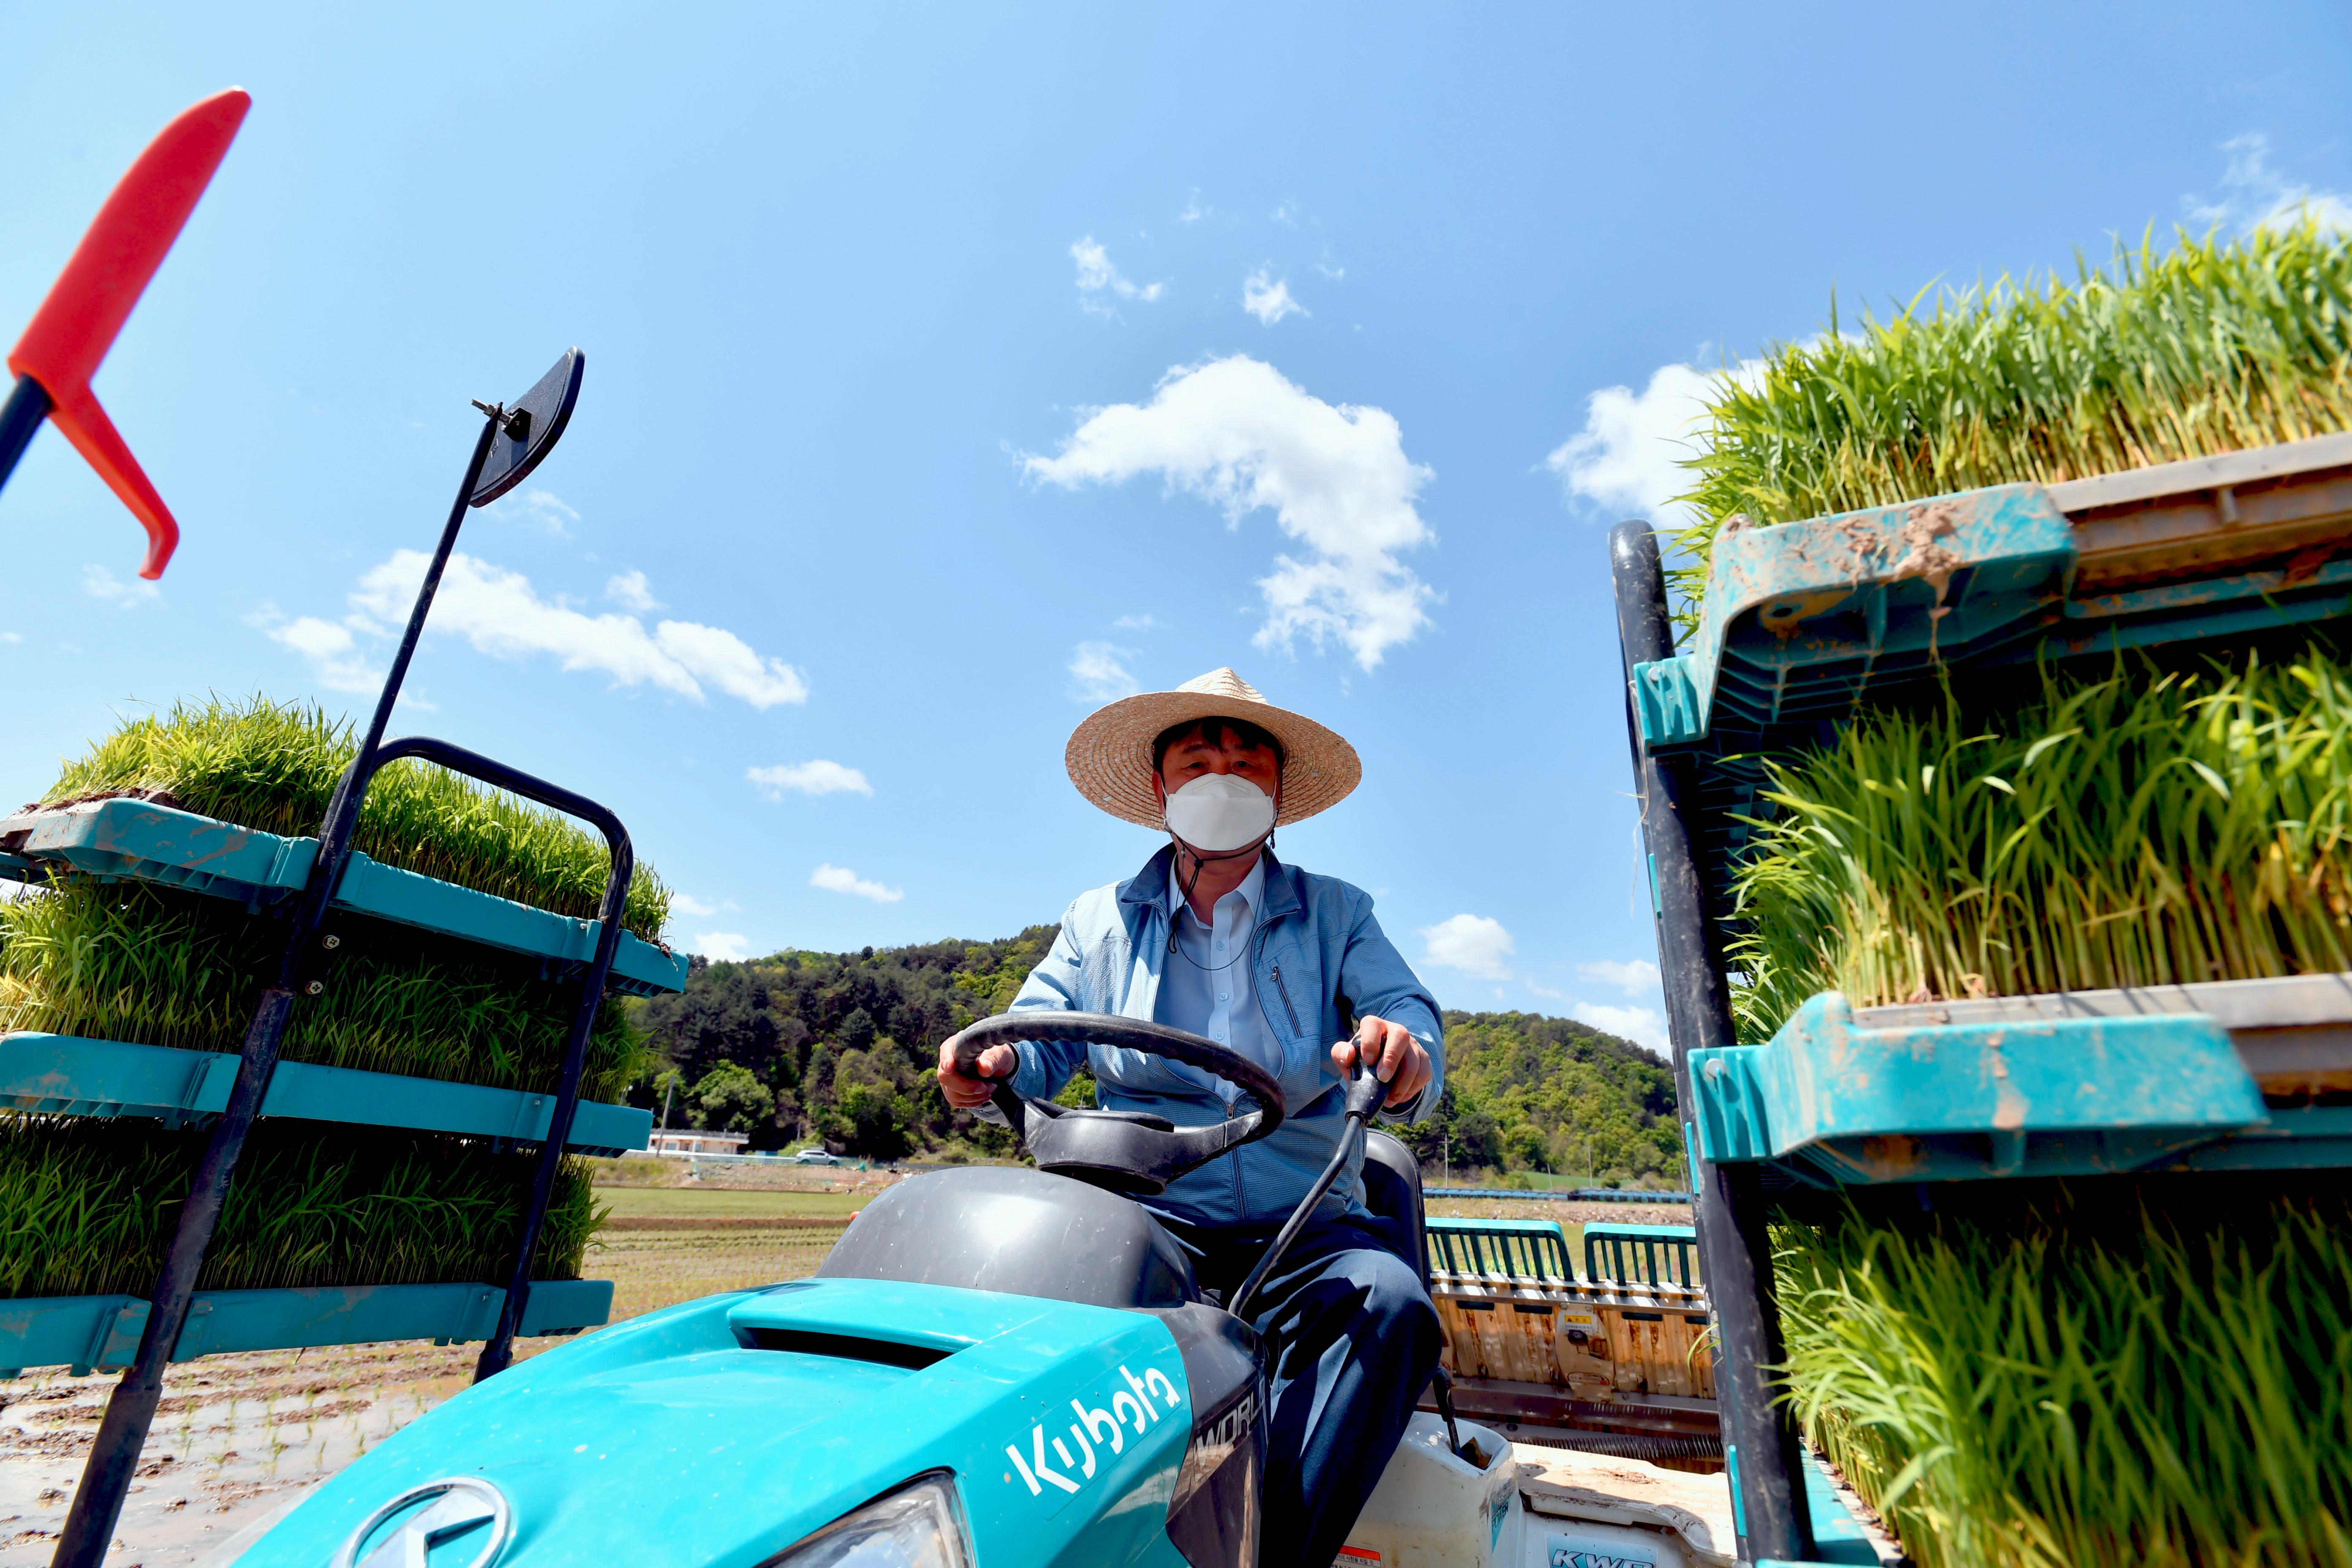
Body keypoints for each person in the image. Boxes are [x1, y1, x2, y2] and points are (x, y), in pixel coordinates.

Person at [936, 666, 1446, 1568]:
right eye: (1200, 758)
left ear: (1277, 793)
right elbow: (1043, 1033)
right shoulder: (1096, 920)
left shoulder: (1337, 912)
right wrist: (998, 1060)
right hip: (1144, 1216)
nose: (1225, 776)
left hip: (1302, 1226)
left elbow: (1406, 1009)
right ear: (1163, 787)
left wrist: (1402, 1050)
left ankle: (1273, 1552)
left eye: (1248, 761)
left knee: (1392, 1303)